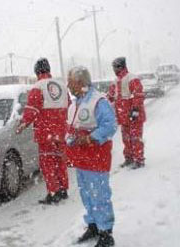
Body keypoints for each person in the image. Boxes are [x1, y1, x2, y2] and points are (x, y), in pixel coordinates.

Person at [65, 66, 116, 247]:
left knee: (99, 194)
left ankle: (106, 232)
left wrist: (89, 138)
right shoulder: (76, 102)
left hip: (96, 159)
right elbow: (72, 128)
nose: (68, 85)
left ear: (80, 83)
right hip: (82, 161)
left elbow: (109, 126)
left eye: (70, 82)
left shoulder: (98, 101)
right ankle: (93, 225)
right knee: (86, 194)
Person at [16, 57, 70, 204]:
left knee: (48, 164)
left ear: (37, 71)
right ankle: (63, 189)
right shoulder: (61, 85)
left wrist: (22, 124)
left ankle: (54, 193)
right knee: (60, 161)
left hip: (46, 133)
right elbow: (69, 105)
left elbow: (31, 110)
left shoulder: (38, 87)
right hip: (61, 131)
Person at [108, 57, 146, 169]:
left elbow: (138, 95)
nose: (114, 69)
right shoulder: (115, 82)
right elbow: (110, 96)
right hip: (123, 117)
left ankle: (139, 160)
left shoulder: (132, 78)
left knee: (135, 138)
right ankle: (129, 158)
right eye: (113, 67)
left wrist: (135, 110)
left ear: (121, 66)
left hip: (134, 116)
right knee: (126, 138)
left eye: (115, 67)